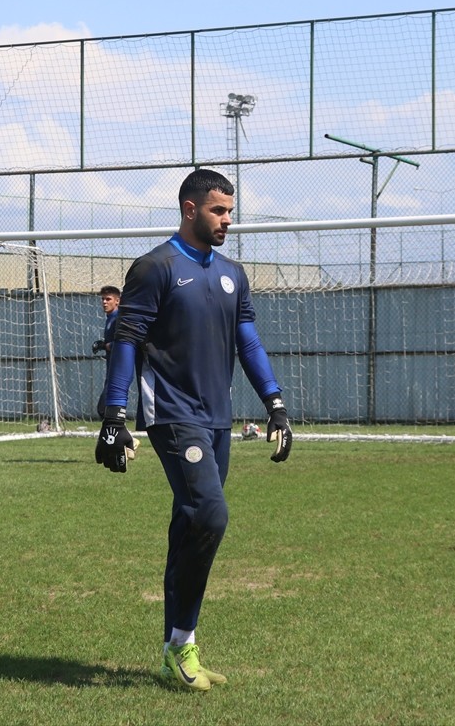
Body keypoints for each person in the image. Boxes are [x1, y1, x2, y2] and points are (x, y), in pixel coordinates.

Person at [95, 168, 293, 693]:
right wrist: (114, 415)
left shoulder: (233, 273)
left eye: (230, 211)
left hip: (217, 418)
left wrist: (274, 404)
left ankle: (174, 651)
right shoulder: (155, 267)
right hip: (172, 415)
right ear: (190, 209)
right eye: (218, 211)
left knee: (190, 526)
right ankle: (183, 644)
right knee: (211, 514)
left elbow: (248, 343)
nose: (227, 220)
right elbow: (125, 342)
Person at [92, 285, 122, 418]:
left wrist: (106, 346)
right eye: (103, 299)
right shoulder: (110, 318)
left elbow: (124, 342)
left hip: (120, 368)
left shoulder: (118, 318)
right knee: (107, 408)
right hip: (111, 367)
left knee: (104, 408)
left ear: (117, 301)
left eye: (108, 299)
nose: (104, 302)